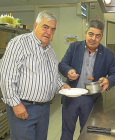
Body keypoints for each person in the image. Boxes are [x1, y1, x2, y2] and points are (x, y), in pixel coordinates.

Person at [0, 10, 70, 140]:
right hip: (24, 107)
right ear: (35, 25)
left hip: (44, 109)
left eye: (53, 29)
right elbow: (7, 77)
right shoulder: (19, 43)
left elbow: (52, 74)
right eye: (45, 27)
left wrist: (61, 85)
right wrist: (16, 104)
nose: (49, 32)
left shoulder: (49, 49)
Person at [58, 18, 115, 140]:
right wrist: (68, 71)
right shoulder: (74, 47)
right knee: (66, 133)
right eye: (91, 34)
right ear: (85, 33)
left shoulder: (108, 54)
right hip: (72, 97)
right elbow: (62, 64)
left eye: (97, 36)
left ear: (101, 37)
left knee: (88, 134)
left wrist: (109, 80)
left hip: (91, 100)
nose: (93, 38)